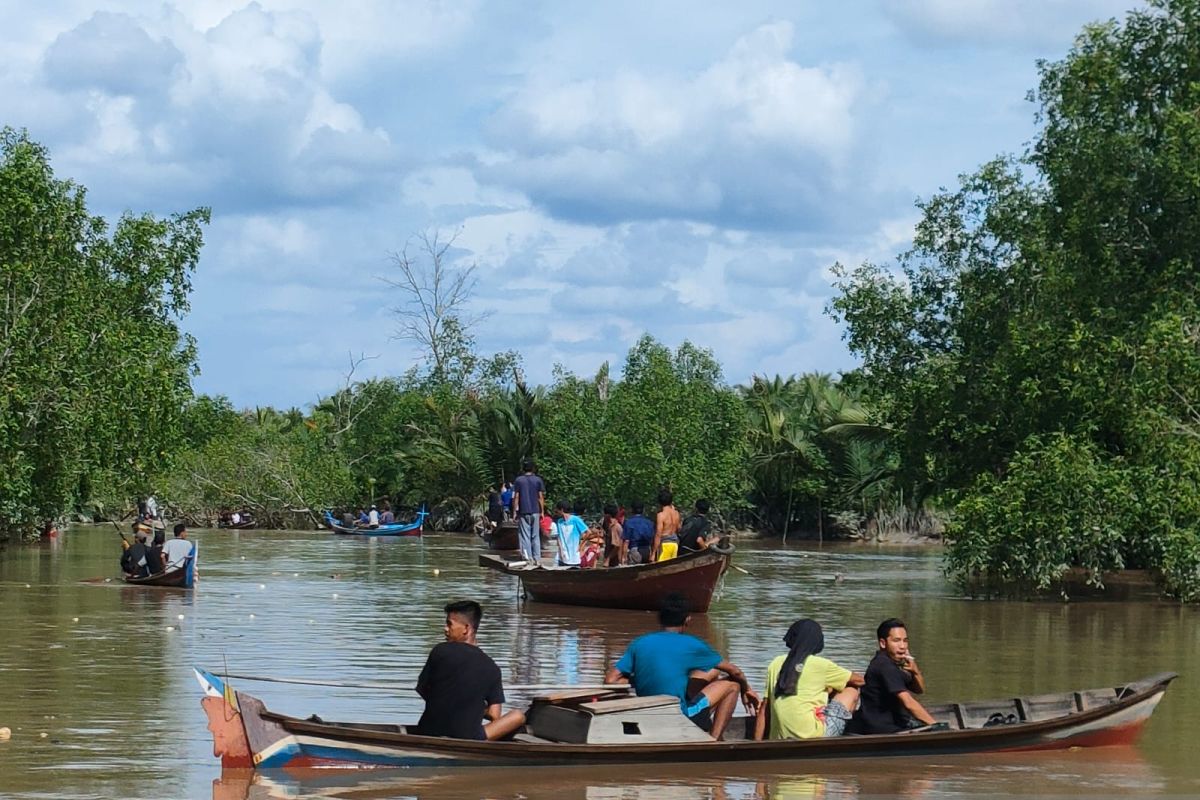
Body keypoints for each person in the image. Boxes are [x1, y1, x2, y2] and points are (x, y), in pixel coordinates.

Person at [605, 592, 759, 740]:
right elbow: (735, 671)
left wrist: (643, 678)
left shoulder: (640, 643)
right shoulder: (692, 644)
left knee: (711, 673)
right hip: (678, 717)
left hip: (648, 713)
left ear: (660, 618)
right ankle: (713, 740)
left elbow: (611, 680)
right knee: (732, 685)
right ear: (687, 620)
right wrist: (746, 689)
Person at [414, 600, 525, 740]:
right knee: (517, 716)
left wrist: (452, 701)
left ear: (466, 628)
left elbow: (423, 689)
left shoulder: (439, 651)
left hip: (427, 731)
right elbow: (494, 715)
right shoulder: (492, 668)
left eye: (449, 624)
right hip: (468, 737)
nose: (445, 629)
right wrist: (474, 706)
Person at [753, 619, 864, 740]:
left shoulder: (775, 663)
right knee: (851, 689)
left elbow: (764, 708)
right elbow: (860, 680)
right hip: (813, 735)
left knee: (831, 687)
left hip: (780, 737)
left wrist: (757, 743)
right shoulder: (821, 665)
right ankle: (842, 737)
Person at [848, 618, 936, 734]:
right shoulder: (884, 666)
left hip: (889, 723)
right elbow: (908, 703)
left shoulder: (893, 664)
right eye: (896, 641)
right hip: (883, 728)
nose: (902, 646)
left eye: (905, 641)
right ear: (883, 643)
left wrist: (915, 671)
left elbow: (919, 690)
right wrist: (937, 726)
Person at [511, 460, 545, 563]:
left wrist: (514, 512)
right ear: (533, 468)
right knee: (535, 536)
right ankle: (537, 558)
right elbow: (540, 497)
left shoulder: (519, 480)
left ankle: (527, 557)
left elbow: (516, 497)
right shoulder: (538, 480)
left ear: (523, 469)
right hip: (535, 511)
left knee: (525, 536)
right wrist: (542, 511)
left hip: (523, 511)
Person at [551, 501, 588, 567]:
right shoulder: (559, 522)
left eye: (557, 510)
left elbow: (588, 532)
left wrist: (581, 546)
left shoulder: (576, 520)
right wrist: (561, 551)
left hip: (574, 556)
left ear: (561, 510)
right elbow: (559, 537)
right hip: (562, 555)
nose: (556, 512)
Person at [653, 489, 682, 562]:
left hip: (665, 545)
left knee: (661, 568)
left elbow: (658, 534)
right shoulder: (676, 513)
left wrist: (653, 553)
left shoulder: (661, 515)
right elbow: (679, 528)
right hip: (675, 544)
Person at [601, 503, 624, 567]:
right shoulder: (610, 526)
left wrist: (608, 559)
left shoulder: (614, 527)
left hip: (614, 561)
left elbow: (616, 546)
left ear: (608, 515)